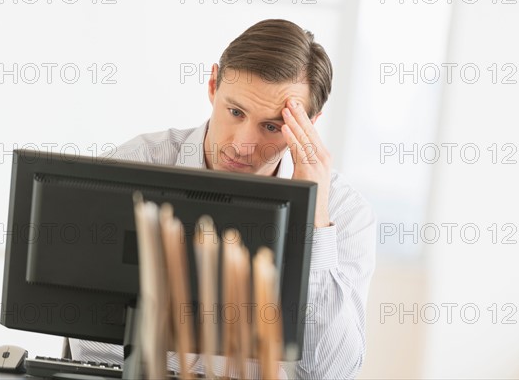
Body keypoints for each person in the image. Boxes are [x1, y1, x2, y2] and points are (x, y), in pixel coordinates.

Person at [70, 19, 376, 379]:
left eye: (272, 126)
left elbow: (332, 370)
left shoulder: (344, 213)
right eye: (236, 112)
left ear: (309, 123)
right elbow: (95, 348)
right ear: (213, 85)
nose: (242, 145)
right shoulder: (133, 166)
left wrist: (314, 220)